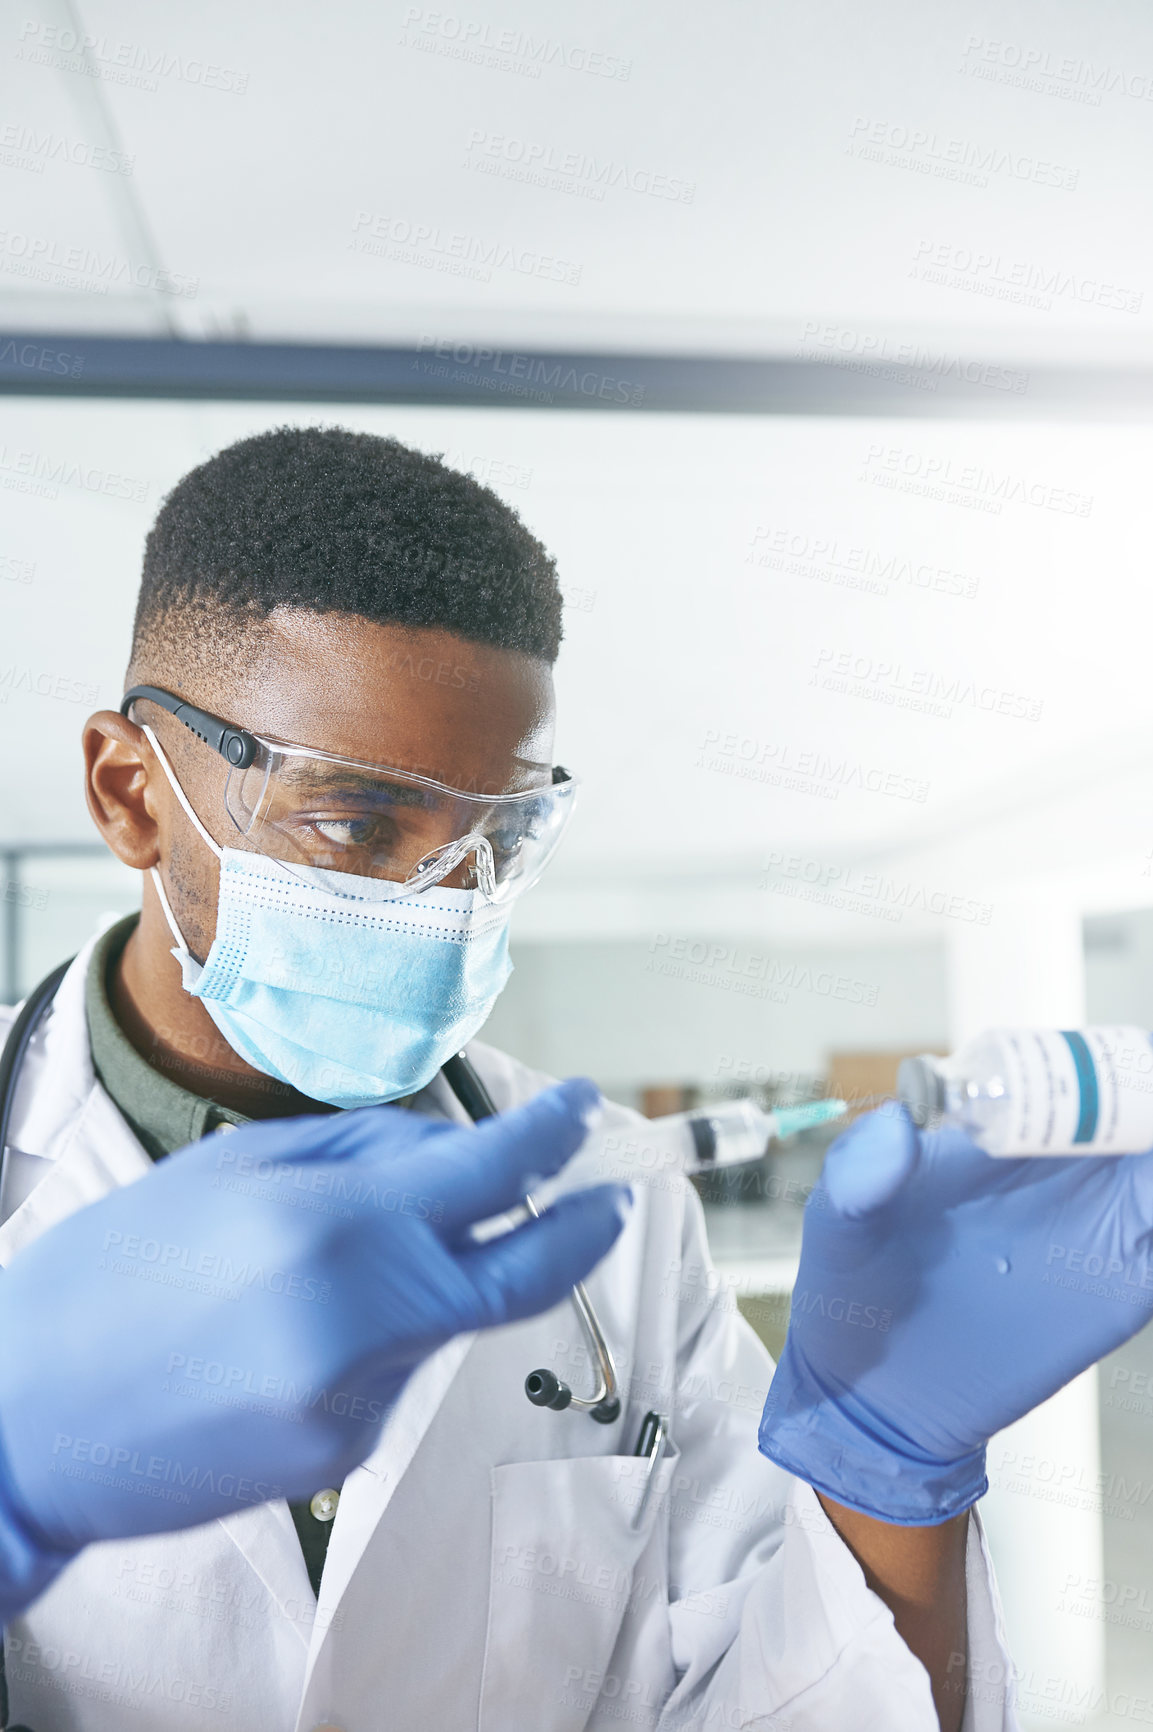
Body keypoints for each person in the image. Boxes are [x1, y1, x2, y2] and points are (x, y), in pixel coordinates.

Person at [10, 424, 1142, 1732]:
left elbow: (760, 1706)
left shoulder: (613, 1208)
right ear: (129, 791)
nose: (449, 903)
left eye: (497, 834)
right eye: (360, 823)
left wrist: (880, 1475)